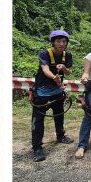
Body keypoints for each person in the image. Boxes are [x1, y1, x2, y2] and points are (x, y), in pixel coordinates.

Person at [29, 30, 74, 162]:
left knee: (59, 114)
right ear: (53, 42)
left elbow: (69, 71)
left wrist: (64, 69)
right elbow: (45, 69)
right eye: (59, 41)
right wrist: (54, 77)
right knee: (38, 119)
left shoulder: (67, 55)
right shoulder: (45, 53)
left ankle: (60, 135)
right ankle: (37, 147)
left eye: (64, 41)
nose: (62, 44)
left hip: (57, 91)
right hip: (41, 91)